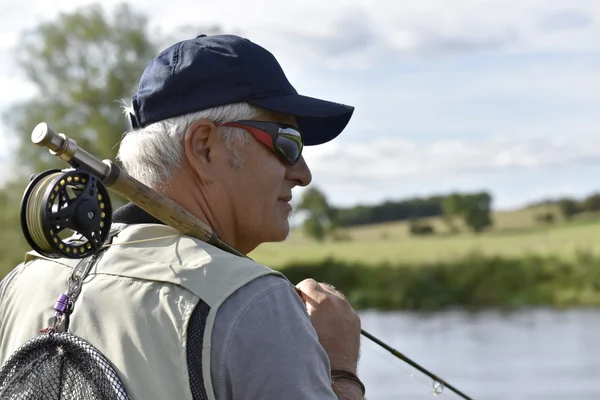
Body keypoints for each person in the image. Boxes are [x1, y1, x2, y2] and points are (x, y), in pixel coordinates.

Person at [0, 34, 364, 399]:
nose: (302, 173)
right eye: (288, 143)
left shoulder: (17, 285)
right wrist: (340, 368)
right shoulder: (255, 301)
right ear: (204, 146)